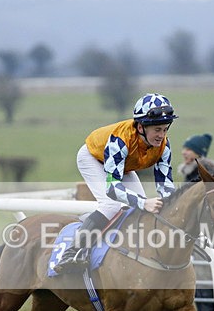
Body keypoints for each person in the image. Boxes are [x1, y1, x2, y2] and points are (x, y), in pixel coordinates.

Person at [53, 93, 177, 274]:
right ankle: (72, 251)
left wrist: (171, 205)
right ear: (141, 127)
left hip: (123, 165)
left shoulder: (164, 146)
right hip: (93, 158)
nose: (161, 135)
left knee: (139, 207)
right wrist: (144, 202)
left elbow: (165, 187)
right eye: (157, 130)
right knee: (111, 205)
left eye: (165, 129)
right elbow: (112, 189)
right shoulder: (120, 140)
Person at [178, 133, 214, 311]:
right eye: (185, 148)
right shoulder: (192, 174)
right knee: (200, 277)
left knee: (204, 277)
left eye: (189, 149)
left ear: (199, 153)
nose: (184, 152)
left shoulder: (205, 177)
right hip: (194, 234)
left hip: (205, 234)